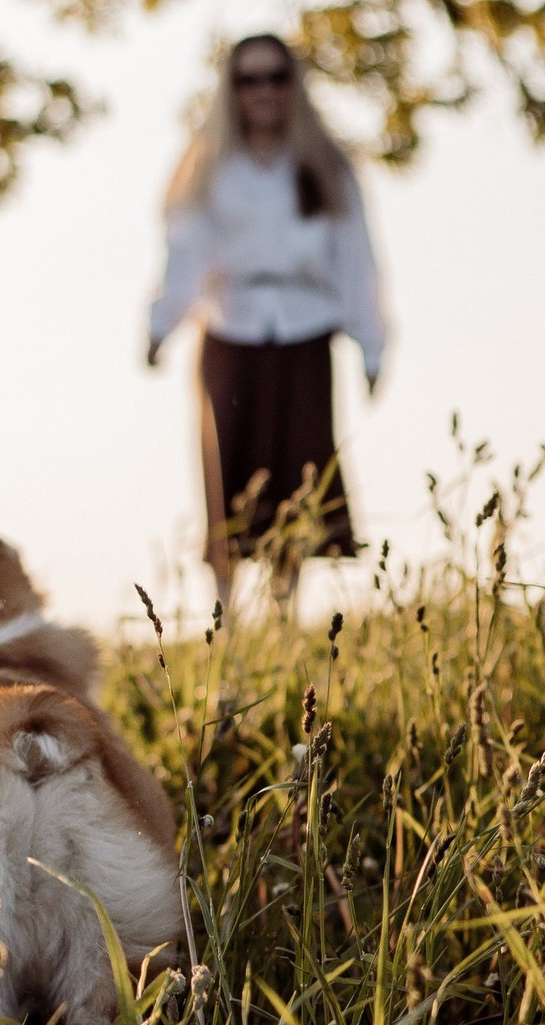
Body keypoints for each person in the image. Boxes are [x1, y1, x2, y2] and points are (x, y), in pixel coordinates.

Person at [147, 32, 388, 605]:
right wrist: (160, 325)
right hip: (231, 331)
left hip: (306, 335)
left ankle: (284, 618)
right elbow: (185, 254)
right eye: (248, 79)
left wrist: (372, 344)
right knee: (227, 476)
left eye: (275, 77)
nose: (262, 92)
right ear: (231, 89)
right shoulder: (211, 169)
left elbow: (358, 260)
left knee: (297, 477)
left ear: (292, 85)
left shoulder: (325, 166)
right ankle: (225, 623)